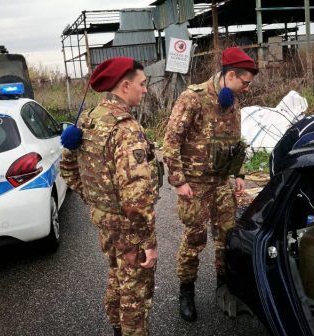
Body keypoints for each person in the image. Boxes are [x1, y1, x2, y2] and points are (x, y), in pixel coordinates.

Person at [59, 57, 160, 336]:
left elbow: (67, 167)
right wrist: (149, 242)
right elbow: (136, 199)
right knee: (135, 292)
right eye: (142, 84)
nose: (145, 90)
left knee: (118, 275)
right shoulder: (125, 130)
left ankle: (117, 328)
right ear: (125, 86)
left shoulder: (88, 120)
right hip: (129, 227)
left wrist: (95, 199)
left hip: (105, 221)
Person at [163, 47, 258, 322]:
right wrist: (179, 182)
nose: (247, 88)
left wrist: (238, 174)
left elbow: (234, 144)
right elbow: (170, 142)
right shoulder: (193, 98)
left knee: (226, 238)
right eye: (245, 82)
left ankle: (223, 287)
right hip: (194, 186)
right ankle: (186, 292)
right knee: (194, 240)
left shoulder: (232, 102)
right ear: (230, 75)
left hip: (220, 184)